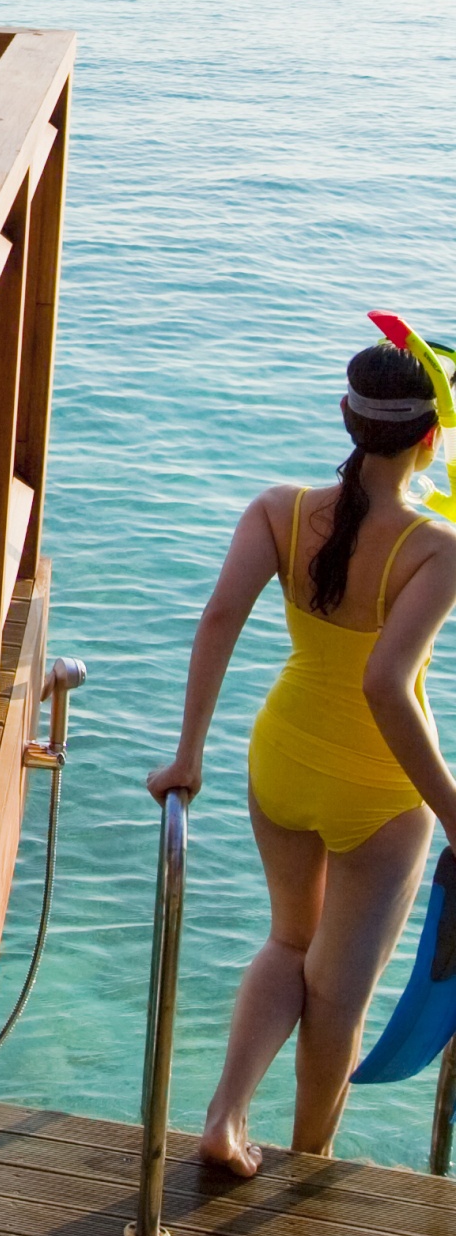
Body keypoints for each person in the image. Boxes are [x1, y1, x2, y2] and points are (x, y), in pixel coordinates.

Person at [148, 339, 456, 1174]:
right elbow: (388, 688)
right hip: (378, 789)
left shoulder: (278, 510)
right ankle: (310, 1160)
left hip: (279, 762)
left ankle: (224, 1117)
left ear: (346, 420)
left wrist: (187, 756)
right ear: (432, 440)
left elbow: (217, 620)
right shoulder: (433, 548)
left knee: (290, 942)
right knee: (339, 993)